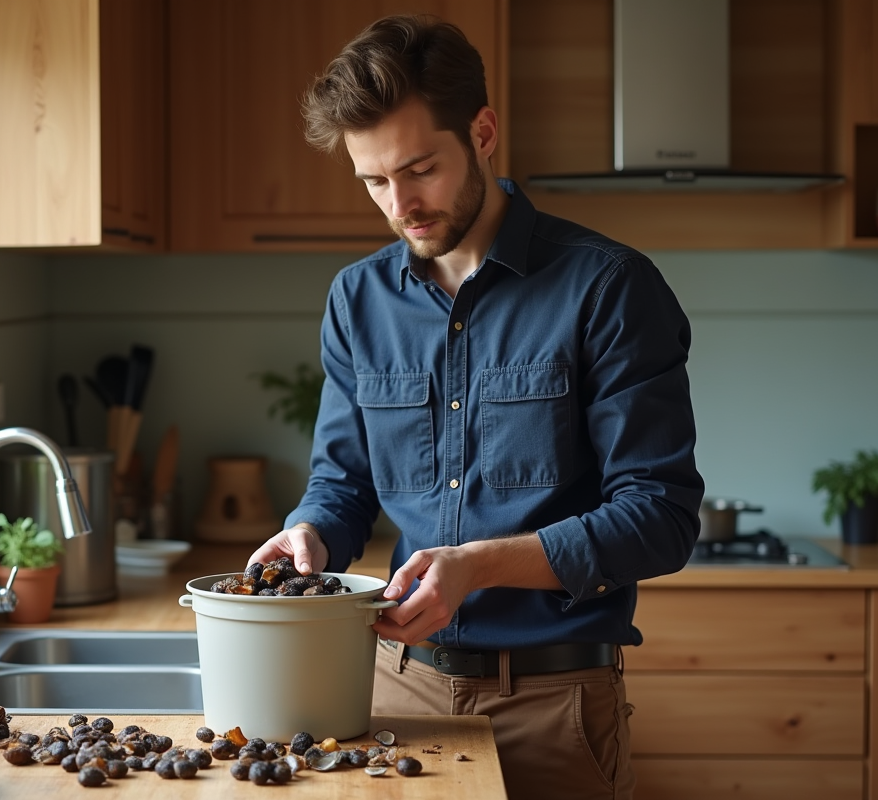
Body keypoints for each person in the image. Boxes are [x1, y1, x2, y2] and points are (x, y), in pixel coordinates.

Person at [247, 14, 703, 800]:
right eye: (374, 181)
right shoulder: (357, 300)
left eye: (420, 169)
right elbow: (344, 484)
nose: (401, 204)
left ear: (483, 132)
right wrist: (311, 533)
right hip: (392, 696)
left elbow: (660, 517)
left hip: (554, 708)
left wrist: (480, 565)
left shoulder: (608, 287)